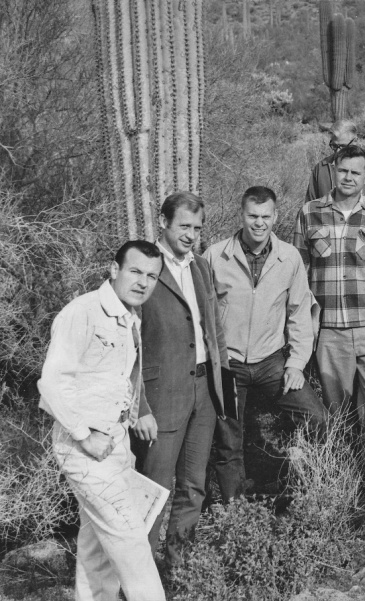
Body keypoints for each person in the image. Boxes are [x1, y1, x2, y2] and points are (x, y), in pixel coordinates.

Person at [39, 241, 166, 601]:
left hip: (115, 445)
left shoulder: (130, 317)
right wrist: (84, 434)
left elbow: (124, 379)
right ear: (114, 269)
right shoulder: (83, 312)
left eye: (151, 276)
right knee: (130, 540)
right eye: (135, 271)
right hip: (84, 448)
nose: (143, 282)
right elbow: (51, 383)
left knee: (98, 547)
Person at [203, 186, 325, 502]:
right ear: (241, 215)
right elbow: (202, 314)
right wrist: (212, 362)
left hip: (272, 360)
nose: (259, 223)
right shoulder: (216, 256)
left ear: (275, 216)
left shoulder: (290, 258)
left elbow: (299, 312)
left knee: (316, 417)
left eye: (266, 216)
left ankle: (302, 492)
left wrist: (297, 364)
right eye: (253, 216)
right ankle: (236, 513)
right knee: (229, 439)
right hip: (229, 363)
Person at [134, 192, 231, 565]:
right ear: (163, 222)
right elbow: (130, 345)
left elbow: (213, 329)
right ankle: (139, 576)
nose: (191, 235)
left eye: (198, 228)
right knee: (154, 488)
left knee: (193, 486)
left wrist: (221, 388)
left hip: (203, 390)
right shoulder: (144, 269)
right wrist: (139, 404)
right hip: (163, 394)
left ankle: (177, 567)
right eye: (184, 226)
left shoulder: (200, 266)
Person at [293, 145, 365, 428]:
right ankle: (343, 467)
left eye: (356, 172)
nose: (348, 177)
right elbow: (298, 274)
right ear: (334, 172)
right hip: (330, 330)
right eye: (343, 170)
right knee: (336, 411)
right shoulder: (309, 212)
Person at [306, 119, 365, 203]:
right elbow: (310, 204)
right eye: (334, 146)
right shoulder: (321, 168)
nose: (338, 151)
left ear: (355, 141)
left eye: (343, 146)